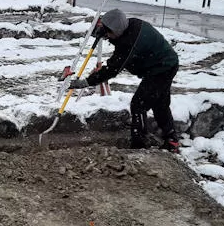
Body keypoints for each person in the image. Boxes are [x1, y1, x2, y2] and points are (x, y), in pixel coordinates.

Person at [69, 8, 180, 151]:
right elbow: (114, 34)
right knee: (160, 103)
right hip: (164, 63)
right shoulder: (128, 25)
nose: (108, 35)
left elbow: (113, 68)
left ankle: (139, 144)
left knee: (139, 104)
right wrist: (103, 33)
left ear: (117, 30)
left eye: (109, 33)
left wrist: (87, 82)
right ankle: (172, 141)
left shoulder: (129, 43)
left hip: (162, 68)